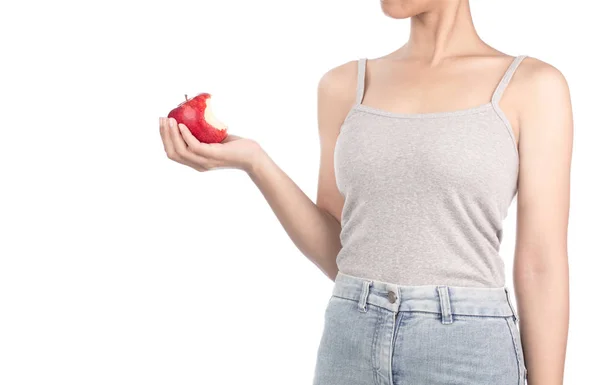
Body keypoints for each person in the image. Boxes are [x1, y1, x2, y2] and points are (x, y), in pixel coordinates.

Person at [158, 0, 572, 384]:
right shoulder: (343, 86)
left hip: (465, 350)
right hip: (350, 340)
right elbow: (341, 252)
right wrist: (256, 163)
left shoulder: (532, 86)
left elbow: (541, 265)